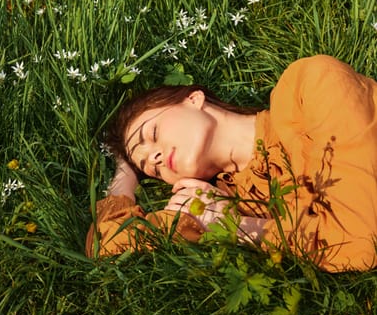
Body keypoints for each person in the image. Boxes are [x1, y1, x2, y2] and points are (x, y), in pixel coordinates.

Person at [85, 55, 377, 273]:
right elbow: (106, 244)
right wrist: (126, 170)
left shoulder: (308, 87)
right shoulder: (217, 204)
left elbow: (362, 240)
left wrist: (244, 228)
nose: (156, 158)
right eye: (152, 169)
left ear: (193, 98)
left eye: (153, 133)